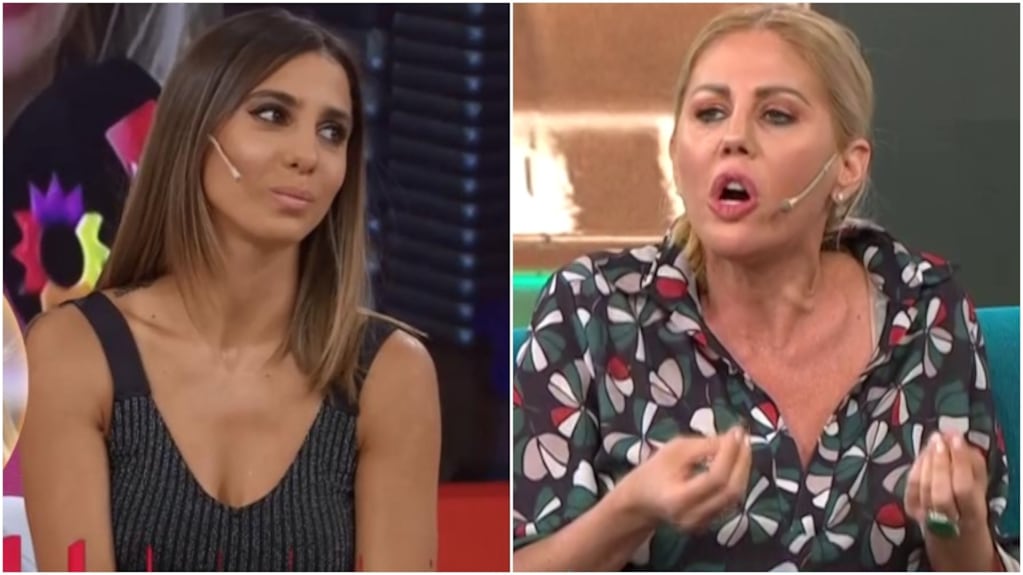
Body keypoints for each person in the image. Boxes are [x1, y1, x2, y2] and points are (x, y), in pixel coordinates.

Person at [512, 5, 1018, 571]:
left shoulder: (925, 308)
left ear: (847, 166)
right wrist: (630, 509)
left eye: (776, 115)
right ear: (677, 153)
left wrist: (957, 530)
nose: (734, 138)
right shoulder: (589, 310)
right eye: (710, 113)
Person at [19, 9, 440, 571]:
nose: (307, 155)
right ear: (195, 133)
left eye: (332, 132)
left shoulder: (390, 373)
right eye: (272, 115)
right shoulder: (73, 352)